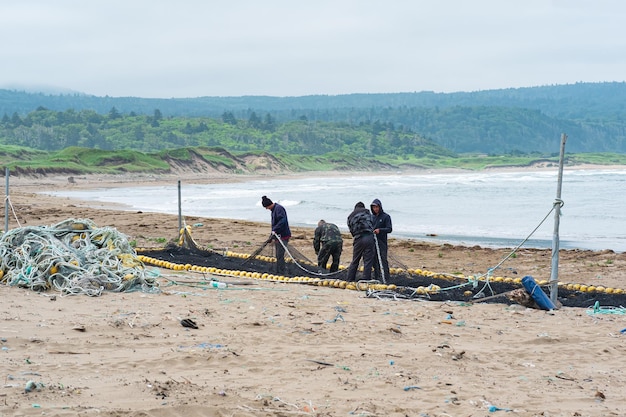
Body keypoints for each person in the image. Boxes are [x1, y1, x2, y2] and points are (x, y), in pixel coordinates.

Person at [261, 195, 291, 274]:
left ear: (269, 205)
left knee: (280, 255)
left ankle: (281, 271)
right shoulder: (273, 210)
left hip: (283, 236)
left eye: (266, 207)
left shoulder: (279, 209)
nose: (267, 209)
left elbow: (282, 221)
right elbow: (274, 225)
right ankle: (279, 269)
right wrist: (271, 236)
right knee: (278, 255)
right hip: (277, 236)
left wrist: (275, 230)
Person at [346, 202, 375, 282]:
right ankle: (366, 280)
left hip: (358, 238)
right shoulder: (367, 212)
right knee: (368, 260)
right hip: (369, 237)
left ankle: (350, 279)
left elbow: (351, 229)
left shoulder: (350, 216)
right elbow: (372, 224)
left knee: (355, 260)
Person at [370, 198, 392, 282]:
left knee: (383, 260)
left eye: (376, 207)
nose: (375, 209)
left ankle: (386, 278)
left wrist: (380, 230)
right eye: (373, 207)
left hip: (382, 242)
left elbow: (389, 229)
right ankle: (376, 276)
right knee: (374, 260)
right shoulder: (372, 217)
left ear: (380, 207)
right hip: (373, 242)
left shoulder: (386, 217)